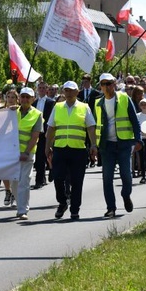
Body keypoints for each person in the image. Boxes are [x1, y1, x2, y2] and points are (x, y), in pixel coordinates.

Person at [45, 81, 97, 220]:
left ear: (77, 92)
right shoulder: (58, 107)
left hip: (78, 149)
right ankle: (62, 202)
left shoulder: (84, 107)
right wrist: (47, 145)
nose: (68, 93)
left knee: (77, 181)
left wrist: (93, 145)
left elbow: (91, 127)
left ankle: (75, 209)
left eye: (71, 90)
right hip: (60, 148)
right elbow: (51, 127)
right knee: (58, 178)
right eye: (66, 90)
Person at [94, 73, 142, 218]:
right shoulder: (98, 103)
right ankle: (111, 208)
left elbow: (135, 121)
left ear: (114, 84)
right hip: (106, 146)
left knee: (126, 175)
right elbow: (95, 125)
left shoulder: (124, 99)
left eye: (109, 83)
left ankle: (126, 195)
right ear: (100, 86)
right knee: (107, 178)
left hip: (123, 144)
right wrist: (94, 145)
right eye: (103, 84)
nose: (107, 86)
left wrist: (138, 140)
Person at [10, 87, 42, 220]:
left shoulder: (37, 114)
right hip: (12, 154)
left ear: (32, 99)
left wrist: (27, 152)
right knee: (14, 183)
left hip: (27, 154)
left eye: (27, 97)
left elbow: (34, 136)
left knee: (24, 182)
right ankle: (20, 204)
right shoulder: (12, 111)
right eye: (22, 97)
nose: (24, 99)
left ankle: (22, 210)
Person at [32, 81, 55, 189]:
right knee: (39, 157)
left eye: (43, 88)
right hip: (38, 133)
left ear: (46, 89)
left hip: (47, 132)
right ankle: (39, 180)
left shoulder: (51, 102)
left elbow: (52, 118)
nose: (41, 89)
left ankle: (51, 170)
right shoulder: (34, 103)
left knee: (47, 155)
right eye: (39, 87)